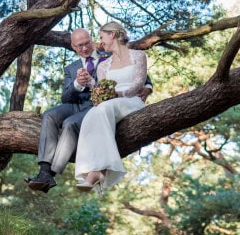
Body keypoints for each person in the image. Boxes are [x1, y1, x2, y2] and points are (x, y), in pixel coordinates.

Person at [24, 27, 152, 193]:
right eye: (79, 46)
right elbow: (66, 98)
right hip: (76, 105)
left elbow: (138, 75)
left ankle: (50, 174)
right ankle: (44, 170)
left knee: (70, 124)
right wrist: (77, 83)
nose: (84, 48)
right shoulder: (71, 68)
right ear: (73, 47)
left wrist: (148, 87)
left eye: (87, 43)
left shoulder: (108, 56)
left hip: (97, 105)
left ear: (92, 41)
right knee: (49, 115)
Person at [74, 21, 147, 194]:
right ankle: (94, 170)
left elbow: (139, 82)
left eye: (101, 37)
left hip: (132, 100)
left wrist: (120, 94)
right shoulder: (103, 65)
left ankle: (100, 171)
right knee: (91, 115)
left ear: (112, 35)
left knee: (104, 109)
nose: (99, 42)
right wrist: (86, 80)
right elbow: (100, 88)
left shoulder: (138, 55)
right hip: (111, 103)